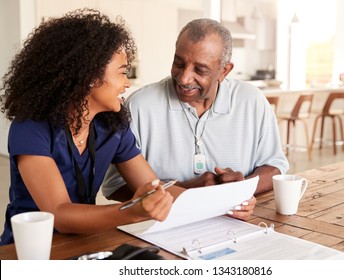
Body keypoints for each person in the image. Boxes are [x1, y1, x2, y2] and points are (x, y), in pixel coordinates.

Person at [0, 9, 177, 245]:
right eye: (123, 73)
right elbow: (60, 214)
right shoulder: (31, 127)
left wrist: (226, 202)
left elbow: (154, 187)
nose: (127, 83)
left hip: (85, 242)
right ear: (91, 77)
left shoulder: (113, 126)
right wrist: (131, 211)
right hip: (29, 250)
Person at [102, 19, 289, 203]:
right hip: (161, 228)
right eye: (179, 63)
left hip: (237, 222)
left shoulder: (252, 101)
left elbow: (275, 166)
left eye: (200, 70)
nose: (184, 78)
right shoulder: (140, 106)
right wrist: (186, 191)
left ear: (224, 71)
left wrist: (238, 192)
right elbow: (114, 187)